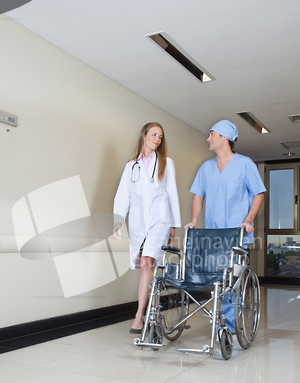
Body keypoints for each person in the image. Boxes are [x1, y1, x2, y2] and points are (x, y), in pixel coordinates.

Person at [184, 119, 266, 329]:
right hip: (213, 236)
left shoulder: (245, 164)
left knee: (232, 282)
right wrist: (194, 219)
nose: (208, 138)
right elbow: (198, 196)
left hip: (237, 235)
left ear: (224, 137)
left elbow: (258, 194)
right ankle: (220, 322)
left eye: (212, 134)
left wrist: (248, 219)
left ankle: (227, 327)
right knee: (217, 281)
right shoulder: (206, 167)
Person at [113, 122, 181, 333]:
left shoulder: (166, 163)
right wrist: (117, 220)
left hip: (160, 220)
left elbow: (172, 194)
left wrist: (173, 225)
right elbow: (124, 195)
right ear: (144, 136)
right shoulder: (131, 166)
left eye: (160, 137)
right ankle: (153, 310)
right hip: (138, 222)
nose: (157, 140)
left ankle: (138, 316)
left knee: (146, 262)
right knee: (147, 267)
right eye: (153, 135)